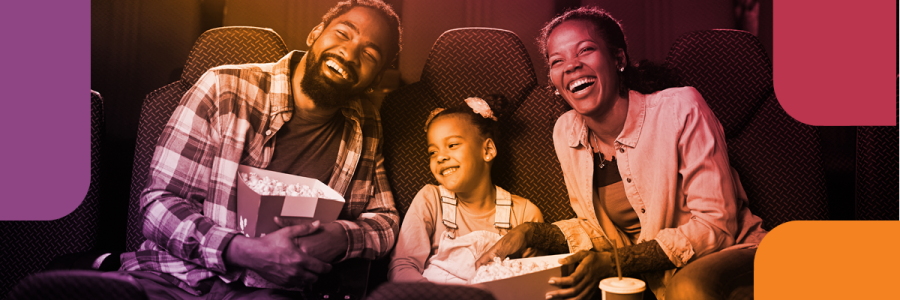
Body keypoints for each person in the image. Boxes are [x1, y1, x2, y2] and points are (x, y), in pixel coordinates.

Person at [476, 7, 768, 300]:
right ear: (554, 81)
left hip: (735, 251)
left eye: (586, 50)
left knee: (688, 288)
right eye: (557, 61)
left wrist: (616, 263)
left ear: (618, 59)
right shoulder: (565, 132)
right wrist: (531, 233)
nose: (571, 66)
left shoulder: (682, 108)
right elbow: (599, 231)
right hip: (653, 277)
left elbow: (715, 227)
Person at [116, 0, 403, 298]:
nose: (350, 53)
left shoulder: (365, 123)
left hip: (275, 293)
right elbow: (158, 206)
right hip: (176, 279)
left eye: (370, 54)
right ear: (315, 33)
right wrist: (243, 251)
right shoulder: (222, 86)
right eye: (343, 34)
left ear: (377, 79)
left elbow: (384, 221)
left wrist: (342, 238)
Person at [389, 95, 544, 284]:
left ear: (487, 150)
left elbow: (533, 282)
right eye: (432, 152)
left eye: (452, 145)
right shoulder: (430, 200)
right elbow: (402, 267)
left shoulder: (524, 213)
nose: (440, 157)